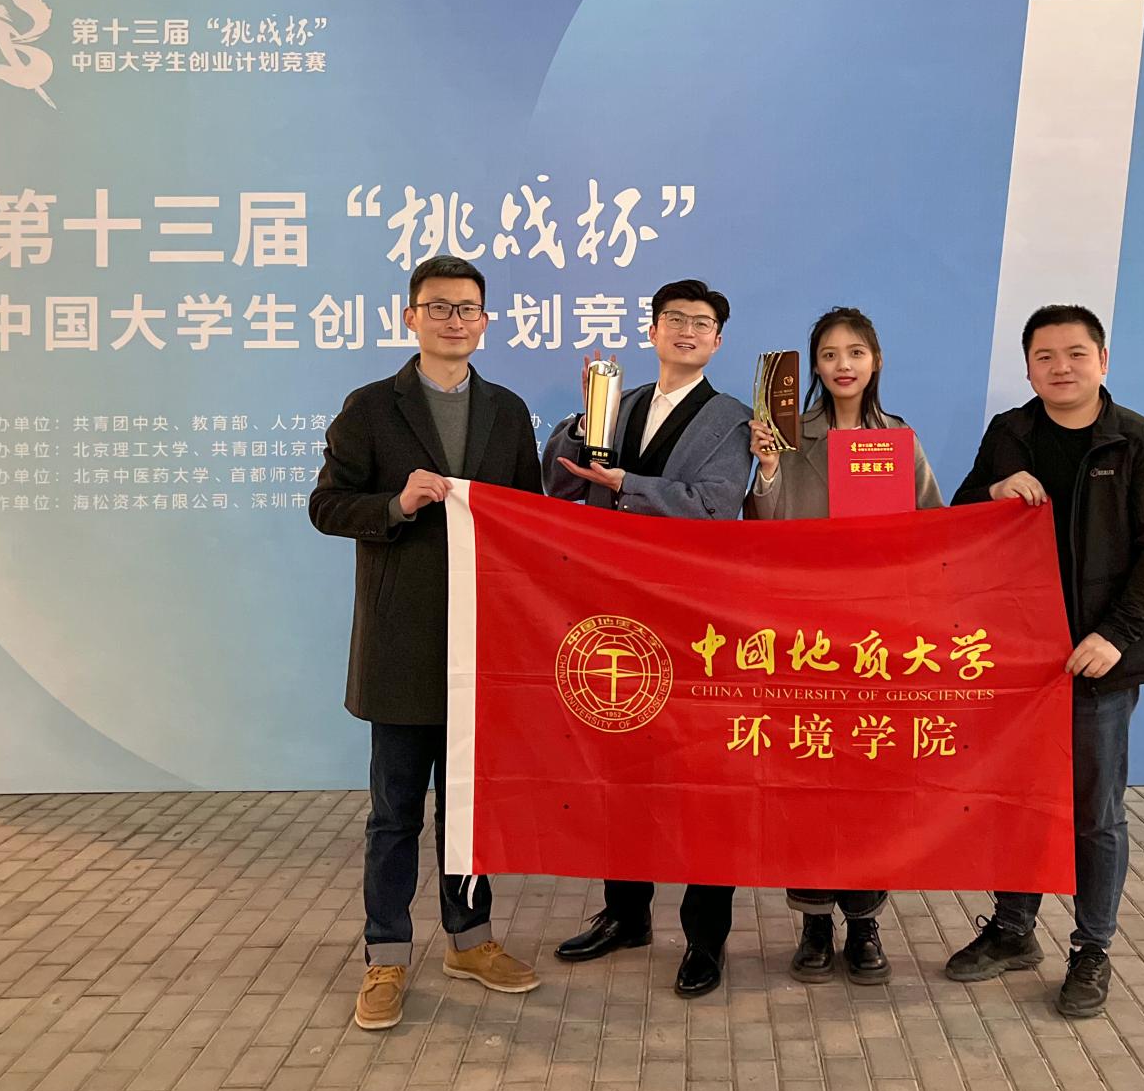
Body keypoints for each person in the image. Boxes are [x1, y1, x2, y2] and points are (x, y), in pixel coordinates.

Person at [310, 254, 546, 1033]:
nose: (454, 320)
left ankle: (469, 941)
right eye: (438, 306)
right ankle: (385, 955)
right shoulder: (371, 408)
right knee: (395, 814)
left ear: (485, 321)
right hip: (402, 646)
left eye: (467, 308)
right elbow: (327, 506)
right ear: (410, 317)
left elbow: (528, 516)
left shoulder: (506, 411)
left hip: (482, 645)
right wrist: (396, 504)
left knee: (470, 812)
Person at [943, 304, 1144, 1019]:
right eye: (1045, 356)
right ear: (1028, 368)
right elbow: (963, 515)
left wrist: (1114, 635)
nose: (1061, 367)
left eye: (1076, 354)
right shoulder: (1011, 433)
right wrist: (991, 492)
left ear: (1102, 361)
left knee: (1094, 811)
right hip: (1016, 655)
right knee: (1017, 797)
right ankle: (1013, 929)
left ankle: (1092, 947)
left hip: (1098, 660)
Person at [542, 278, 752, 997]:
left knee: (703, 781)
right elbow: (561, 486)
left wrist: (624, 481)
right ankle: (626, 913)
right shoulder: (617, 403)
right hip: (615, 612)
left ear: (717, 341)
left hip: (695, 617)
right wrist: (582, 422)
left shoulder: (732, 419)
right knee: (620, 768)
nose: (687, 330)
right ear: (653, 330)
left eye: (702, 322)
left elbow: (715, 507)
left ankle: (706, 938)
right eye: (674, 319)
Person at [744, 306, 942, 986]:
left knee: (868, 783)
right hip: (805, 635)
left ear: (876, 361)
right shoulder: (790, 435)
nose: (843, 365)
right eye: (829, 355)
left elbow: (934, 530)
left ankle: (864, 923)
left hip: (876, 640)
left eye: (855, 352)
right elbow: (764, 528)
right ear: (814, 366)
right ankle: (812, 923)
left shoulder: (900, 441)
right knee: (809, 778)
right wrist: (769, 469)